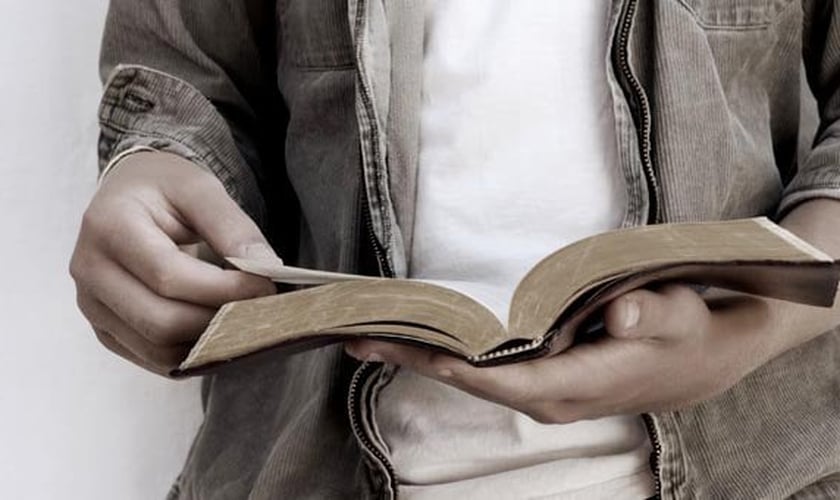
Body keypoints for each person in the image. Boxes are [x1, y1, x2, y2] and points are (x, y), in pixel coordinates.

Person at [70, 0, 840, 498]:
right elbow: (187, 71)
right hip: (302, 471)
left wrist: (756, 325)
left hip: (768, 469)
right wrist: (151, 167)